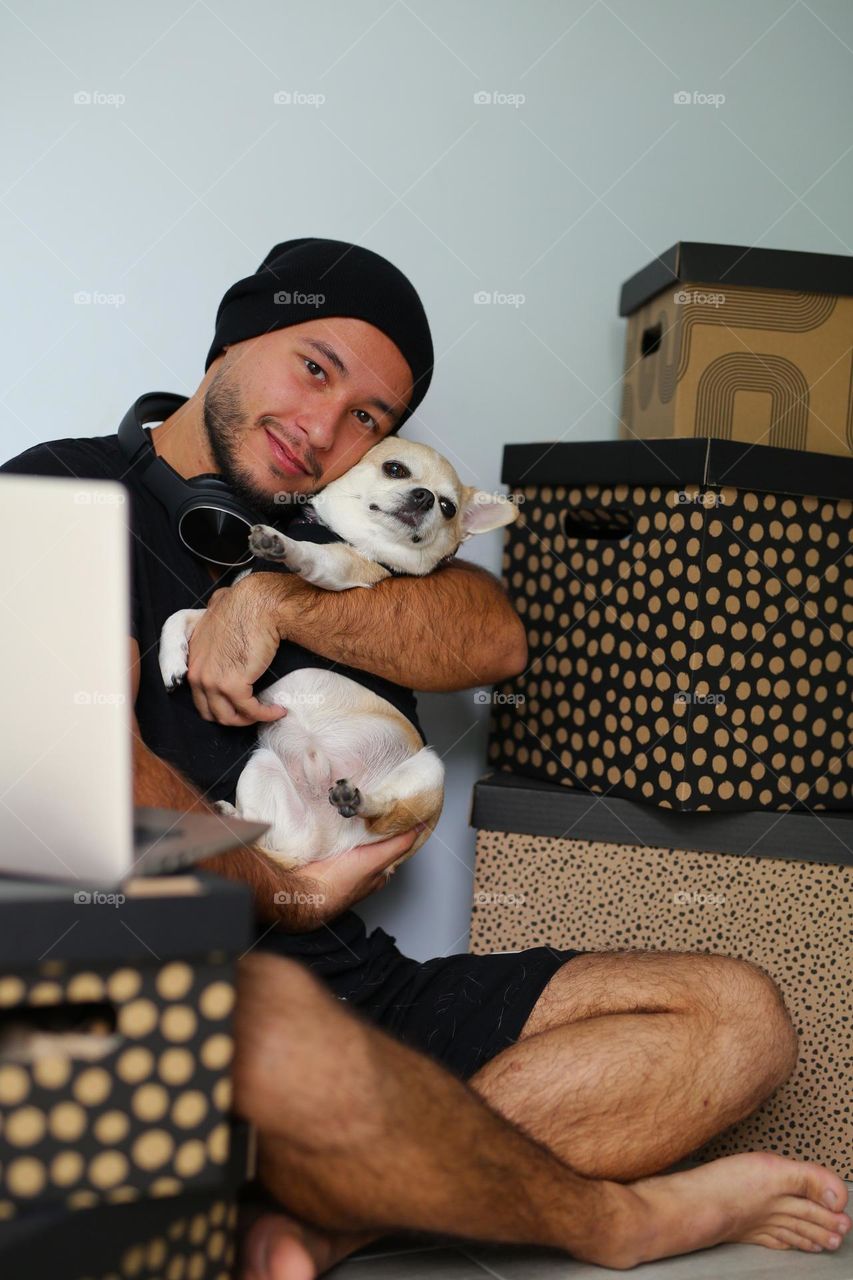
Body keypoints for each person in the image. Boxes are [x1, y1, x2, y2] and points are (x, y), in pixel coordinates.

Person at [2, 238, 848, 1279]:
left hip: (357, 987)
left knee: (737, 1018)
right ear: (233, 333)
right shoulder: (55, 489)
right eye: (315, 366)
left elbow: (493, 633)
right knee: (259, 1030)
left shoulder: (336, 531)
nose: (326, 428)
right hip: (169, 978)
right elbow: (80, 783)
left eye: (371, 417)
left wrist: (275, 595)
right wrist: (286, 890)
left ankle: (329, 1220)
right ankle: (609, 1220)